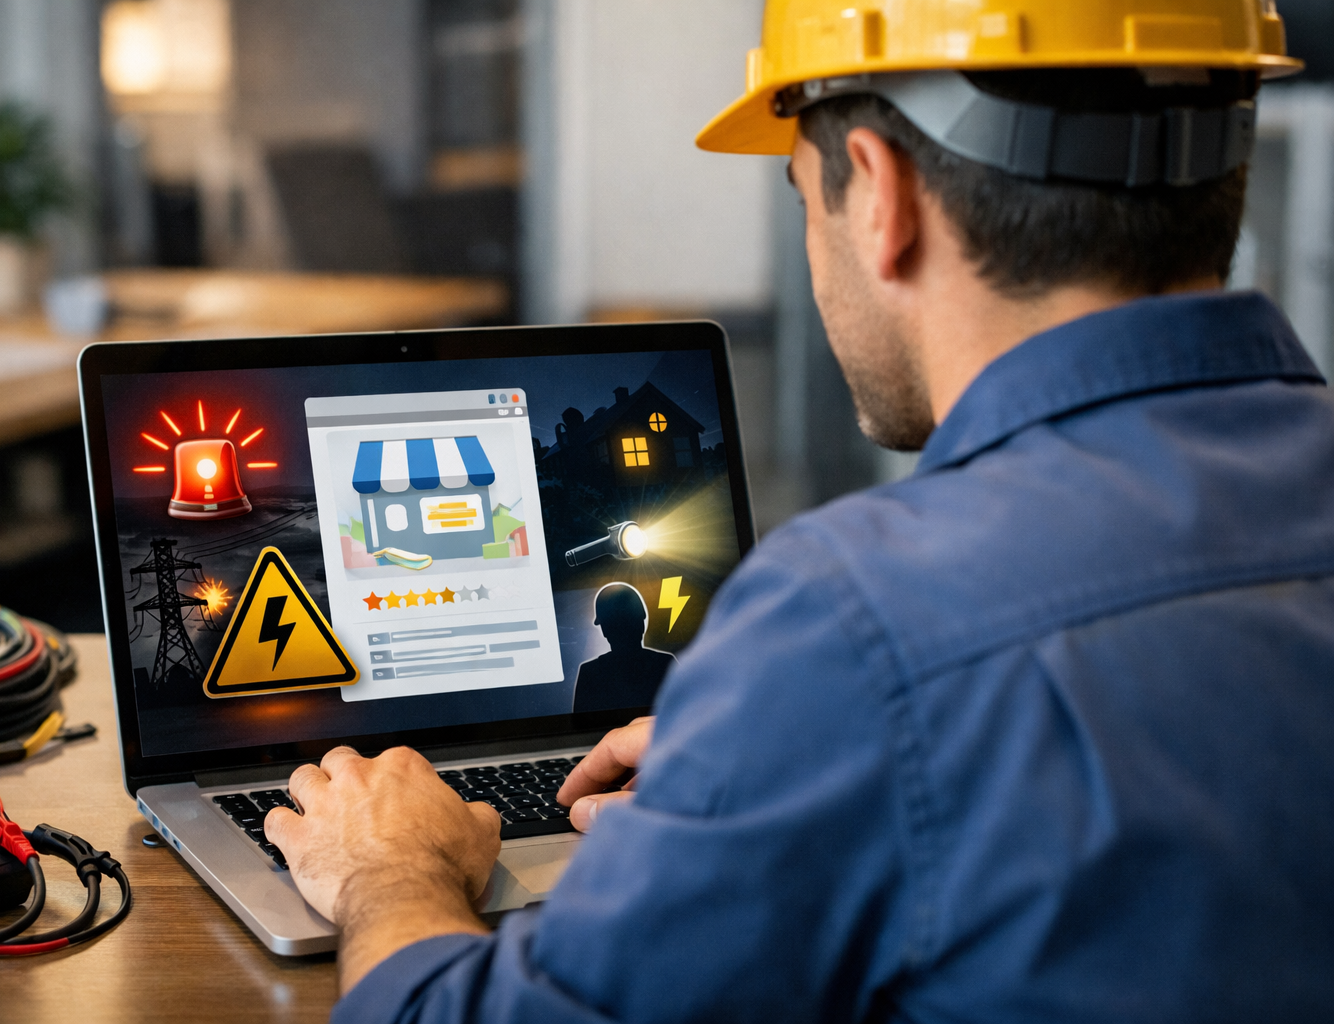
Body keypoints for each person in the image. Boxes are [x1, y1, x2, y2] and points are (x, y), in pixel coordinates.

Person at [264, 2, 1334, 1020]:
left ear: (878, 194)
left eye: (797, 188)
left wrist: (389, 872)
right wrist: (765, 771)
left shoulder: (860, 620)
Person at [572, 583, 676, 713]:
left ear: (605, 630)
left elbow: (581, 725)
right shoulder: (664, 663)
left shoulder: (590, 673)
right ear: (641, 622)